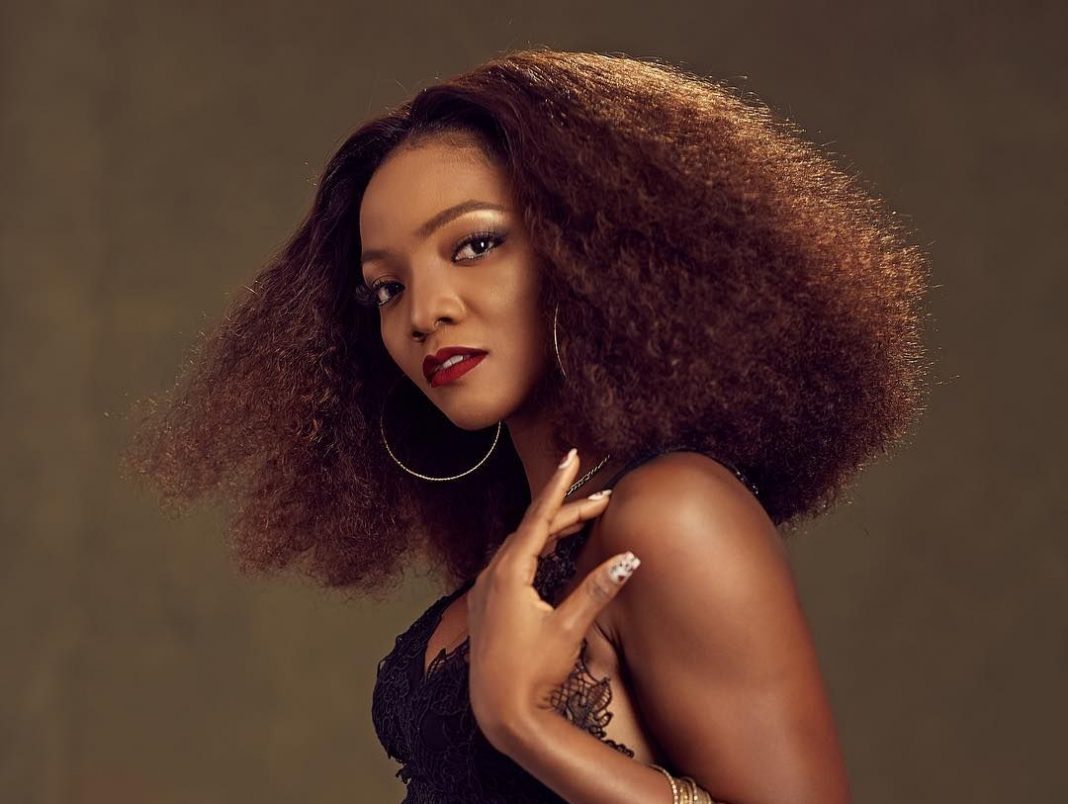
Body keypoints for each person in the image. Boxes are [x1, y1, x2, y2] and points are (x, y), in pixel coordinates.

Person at [124, 47, 930, 803]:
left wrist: (526, 726)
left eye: (474, 245)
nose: (425, 312)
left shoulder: (675, 515)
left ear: (589, 250)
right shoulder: (522, 543)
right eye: (387, 288)